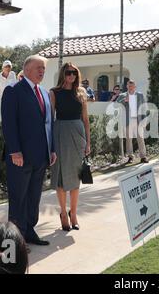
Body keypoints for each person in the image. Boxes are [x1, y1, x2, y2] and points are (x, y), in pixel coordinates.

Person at [1, 55, 56, 247]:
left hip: (41, 157)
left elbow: (49, 124)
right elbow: (9, 124)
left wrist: (52, 149)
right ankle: (15, 241)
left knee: (33, 198)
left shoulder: (44, 92)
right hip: (20, 158)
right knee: (19, 199)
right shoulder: (13, 91)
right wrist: (15, 151)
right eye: (38, 68)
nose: (42, 71)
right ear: (26, 69)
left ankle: (29, 232)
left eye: (44, 68)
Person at [50, 63, 91, 231]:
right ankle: (63, 213)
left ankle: (73, 213)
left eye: (74, 73)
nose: (71, 76)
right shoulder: (54, 93)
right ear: (63, 74)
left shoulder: (81, 93)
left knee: (75, 176)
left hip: (78, 135)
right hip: (60, 135)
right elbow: (49, 120)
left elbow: (86, 120)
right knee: (60, 175)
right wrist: (50, 144)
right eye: (68, 73)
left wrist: (88, 142)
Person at [117, 80, 148, 163]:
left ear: (135, 87)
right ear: (127, 86)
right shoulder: (122, 95)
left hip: (138, 120)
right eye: (129, 86)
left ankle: (143, 156)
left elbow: (144, 107)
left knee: (140, 138)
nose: (130, 87)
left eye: (132, 86)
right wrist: (124, 101)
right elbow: (116, 105)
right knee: (129, 139)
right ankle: (130, 156)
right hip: (128, 121)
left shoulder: (140, 95)